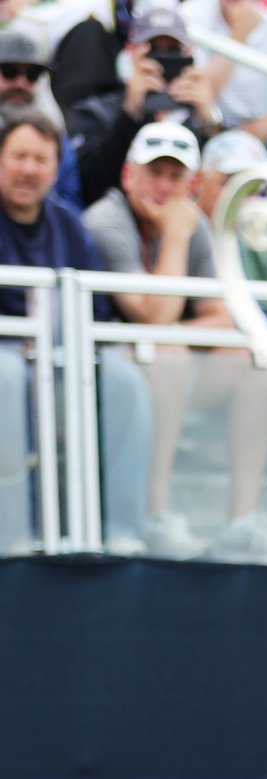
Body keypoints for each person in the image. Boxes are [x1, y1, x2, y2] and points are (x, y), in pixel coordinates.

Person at [83, 122, 267, 563]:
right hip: (101, 375)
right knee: (168, 355)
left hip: (160, 366)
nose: (164, 186)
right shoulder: (106, 220)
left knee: (252, 361)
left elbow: (229, 315)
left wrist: (175, 336)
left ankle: (242, 523)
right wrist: (178, 236)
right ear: (128, 175)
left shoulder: (191, 221)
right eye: (154, 173)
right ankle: (157, 513)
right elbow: (154, 314)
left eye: (175, 176)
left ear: (191, 182)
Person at [0, 113, 152, 556]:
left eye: (40, 159)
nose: (28, 169)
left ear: (54, 168)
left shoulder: (70, 226)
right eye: (19, 156)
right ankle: (12, 536)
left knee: (124, 381)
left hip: (63, 363)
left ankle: (123, 531)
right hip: (9, 362)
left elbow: (97, 310)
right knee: (5, 376)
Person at [64, 7, 224, 208]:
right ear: (132, 52)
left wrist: (211, 123)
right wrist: (130, 114)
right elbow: (90, 187)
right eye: (153, 50)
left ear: (189, 54)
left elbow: (223, 192)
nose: (162, 60)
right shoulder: (96, 112)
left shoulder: (200, 116)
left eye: (172, 50)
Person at [179, 0, 267, 166]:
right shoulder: (192, 15)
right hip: (212, 130)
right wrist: (239, 35)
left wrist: (264, 127)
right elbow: (197, 91)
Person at [0, 29, 82, 210]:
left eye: (32, 75)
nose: (21, 84)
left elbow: (71, 201)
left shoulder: (55, 136)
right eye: (10, 72)